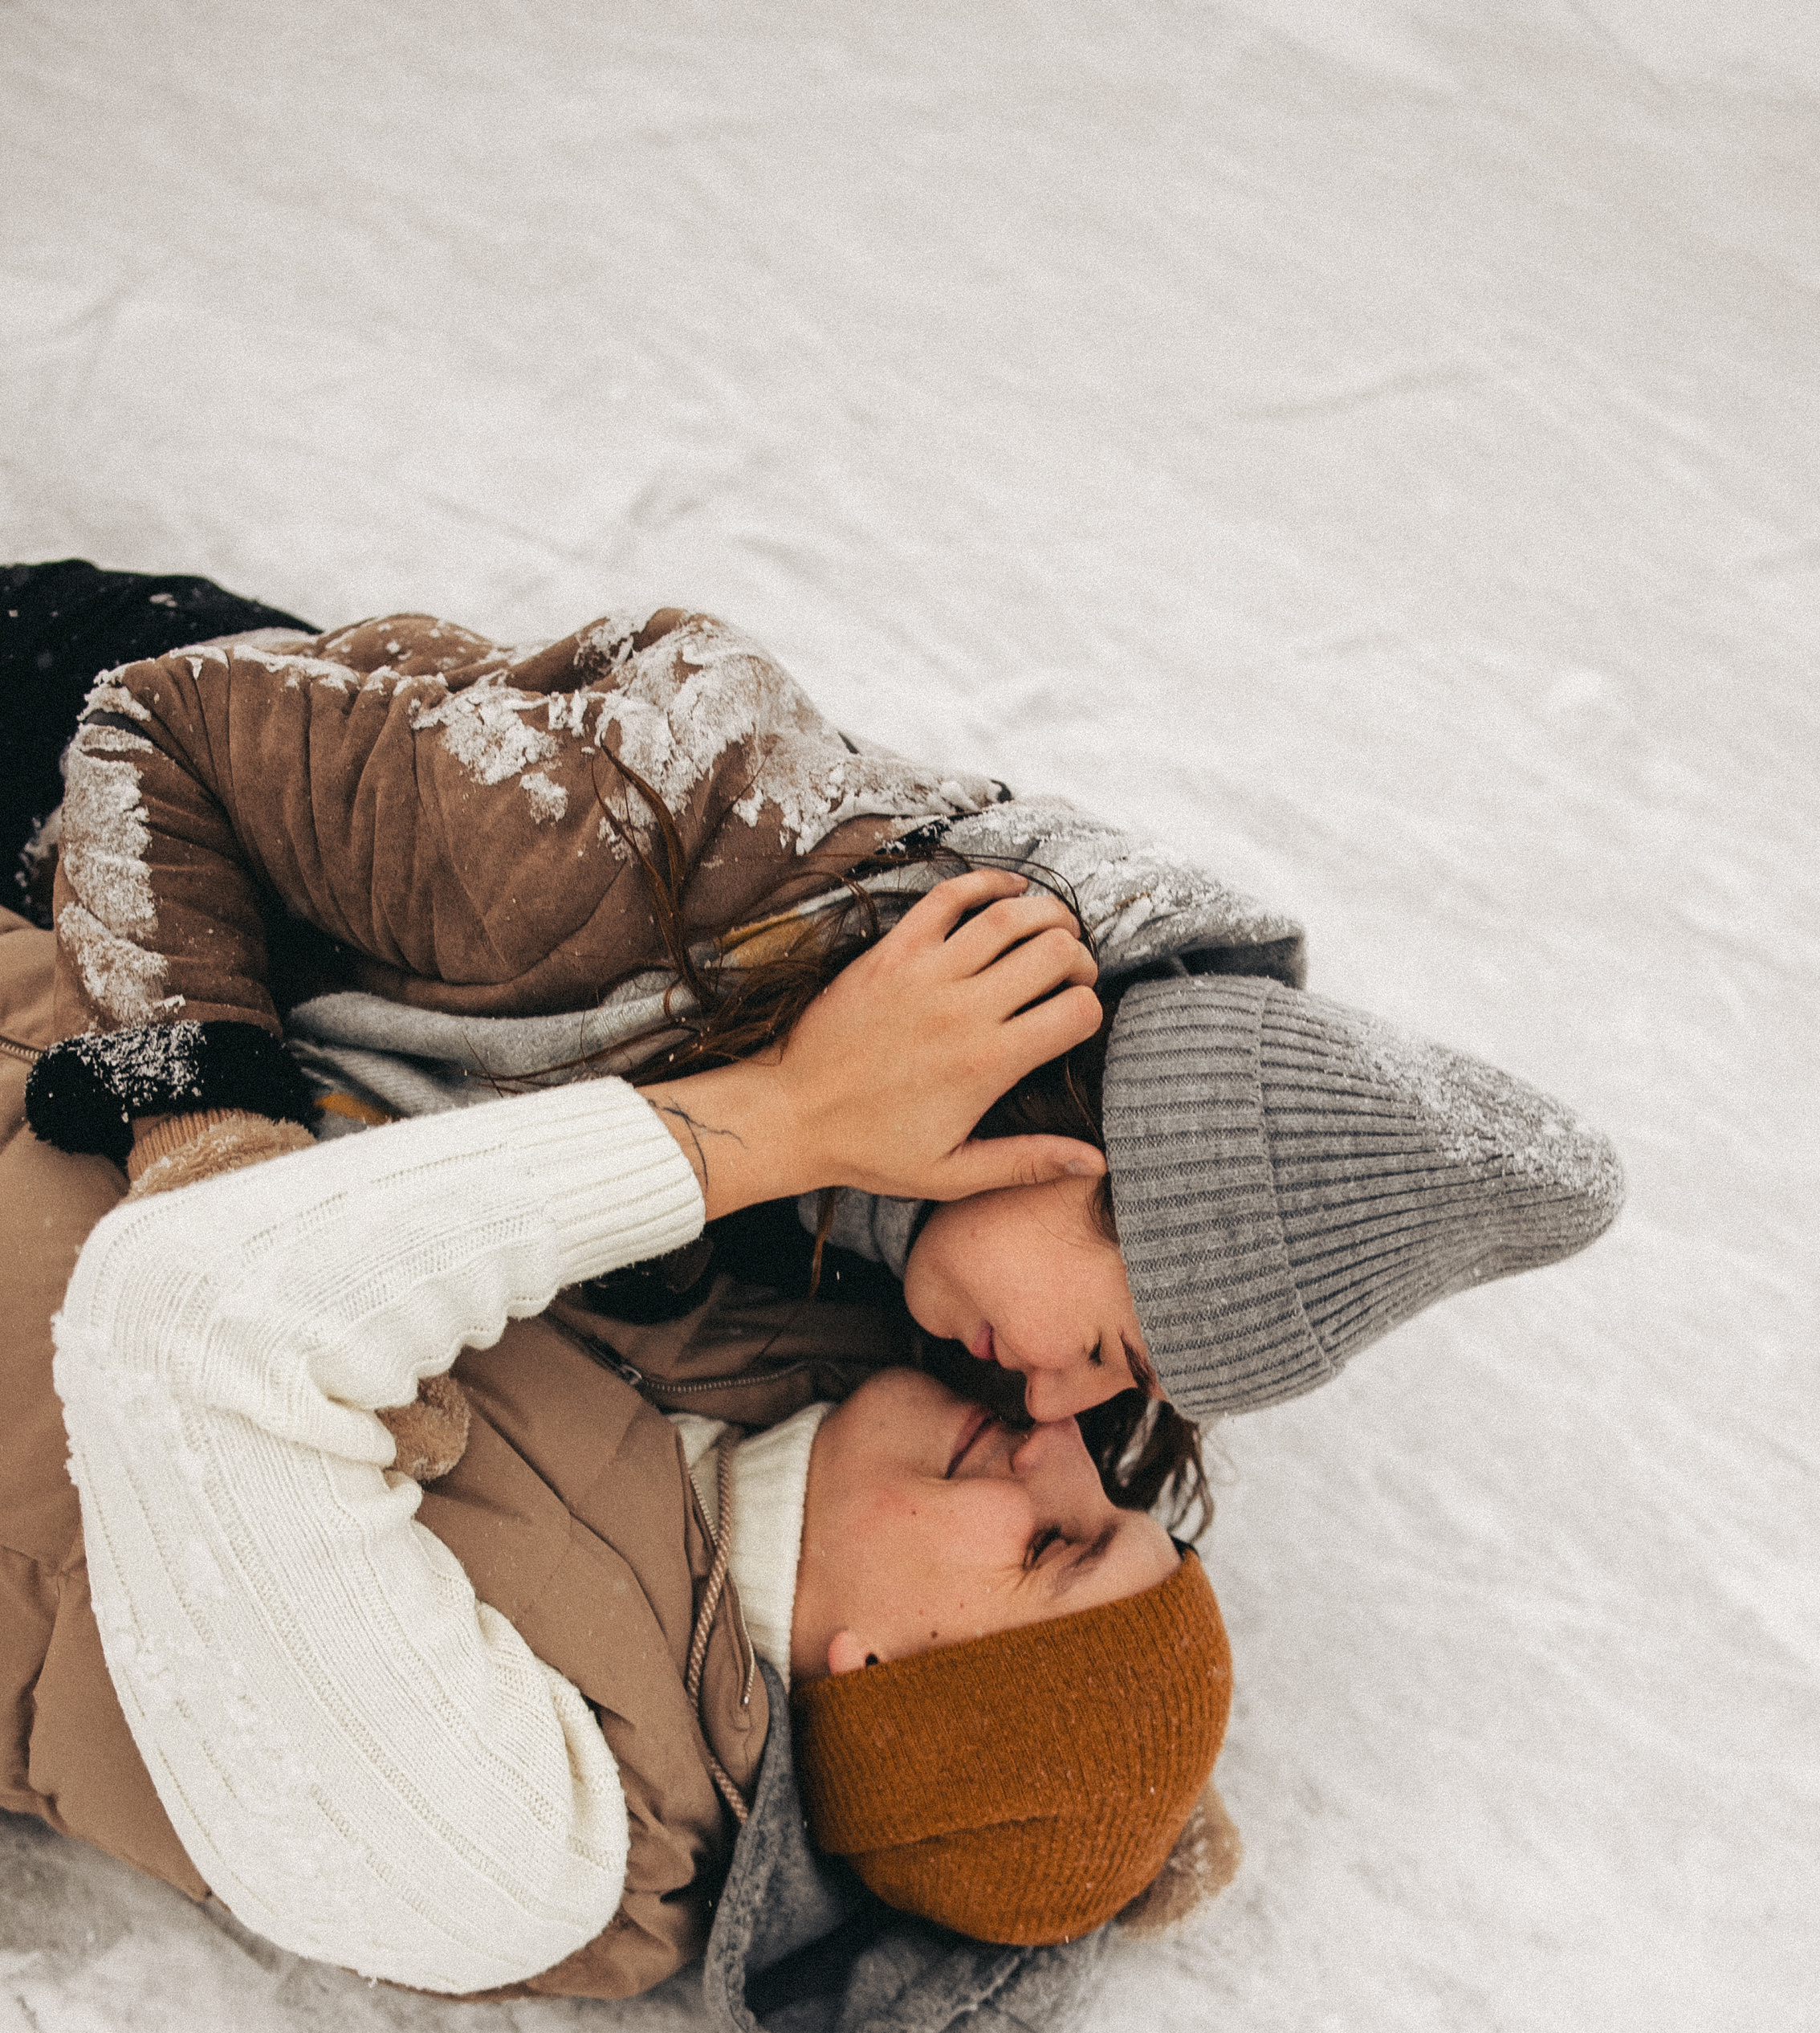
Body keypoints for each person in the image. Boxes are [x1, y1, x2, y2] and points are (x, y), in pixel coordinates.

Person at [10, 564, 1625, 1538]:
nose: (1056, 1412)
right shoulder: (655, 830)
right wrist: (212, 1134)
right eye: (1110, 1348)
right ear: (1088, 1155)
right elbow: (153, 727)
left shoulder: (898, 1262)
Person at [1, 902, 1230, 2033]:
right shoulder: (817, 1329)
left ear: (883, 1680)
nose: (1058, 1445)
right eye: (1119, 1503)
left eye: (1051, 1548)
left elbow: (197, 1328)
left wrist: (774, 1121)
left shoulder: (529, 1845)